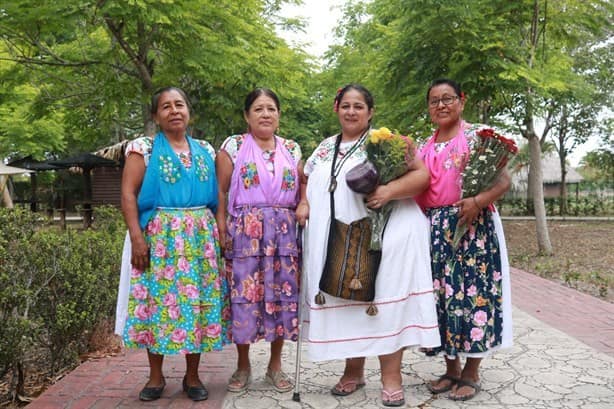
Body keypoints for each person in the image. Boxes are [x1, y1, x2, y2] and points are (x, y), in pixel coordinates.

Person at [301, 84, 440, 407]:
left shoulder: (387, 143)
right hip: (338, 237)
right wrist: (303, 204)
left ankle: (392, 378)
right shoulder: (324, 148)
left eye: (359, 106)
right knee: (346, 301)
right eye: (346, 105)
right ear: (336, 108)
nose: (351, 111)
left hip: (385, 236)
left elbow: (422, 177)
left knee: (384, 306)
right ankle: (353, 372)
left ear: (370, 112)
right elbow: (306, 180)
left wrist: (389, 192)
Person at [120, 86, 230, 402]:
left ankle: (192, 376)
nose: (174, 110)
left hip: (200, 240)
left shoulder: (207, 150)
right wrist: (137, 238)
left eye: (179, 104)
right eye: (166, 106)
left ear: (188, 111)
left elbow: (219, 196)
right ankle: (155, 377)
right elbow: (128, 194)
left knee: (196, 306)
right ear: (156, 115)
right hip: (159, 239)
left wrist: (220, 227)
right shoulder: (144, 149)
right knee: (158, 304)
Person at [415, 78, 514, 401]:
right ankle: (451, 368)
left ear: (462, 100)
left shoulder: (478, 137)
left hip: (473, 227)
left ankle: (471, 371)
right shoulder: (423, 146)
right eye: (434, 101)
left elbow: (503, 181)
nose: (441, 105)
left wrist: (477, 202)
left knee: (474, 295)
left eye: (448, 99)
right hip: (434, 229)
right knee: (441, 298)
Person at [216, 88, 303, 393]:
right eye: (258, 109)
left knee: (282, 296)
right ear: (246, 116)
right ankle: (243, 365)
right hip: (245, 233)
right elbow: (222, 191)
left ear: (279, 115)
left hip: (284, 235)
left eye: (271, 109)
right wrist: (222, 227)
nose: (265, 114)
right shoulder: (234, 145)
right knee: (244, 297)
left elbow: (302, 190)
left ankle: (275, 366)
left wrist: (303, 205)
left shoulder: (292, 149)